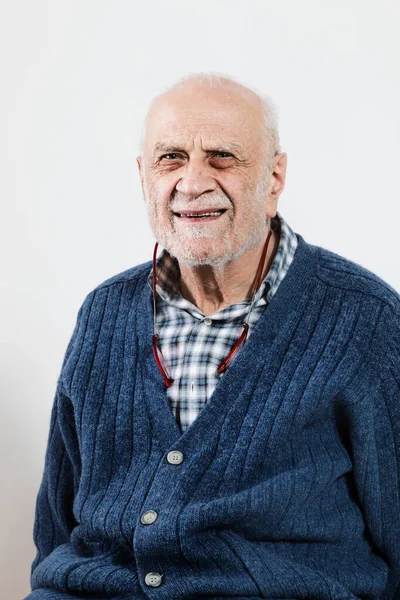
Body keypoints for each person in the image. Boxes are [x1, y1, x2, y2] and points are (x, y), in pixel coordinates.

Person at [25, 73, 400, 600]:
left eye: (222, 157)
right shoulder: (103, 313)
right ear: (143, 177)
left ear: (274, 178)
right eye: (170, 158)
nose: (193, 181)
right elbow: (56, 526)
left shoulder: (366, 317)